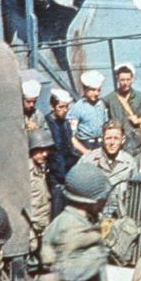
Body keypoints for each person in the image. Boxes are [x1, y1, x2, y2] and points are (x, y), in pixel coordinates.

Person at [78, 120, 137, 214]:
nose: (112, 142)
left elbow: (134, 195)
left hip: (119, 216)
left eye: (116, 138)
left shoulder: (129, 163)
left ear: (123, 140)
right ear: (102, 139)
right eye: (108, 138)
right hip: (93, 214)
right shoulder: (88, 160)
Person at [103, 62, 141, 163]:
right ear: (117, 80)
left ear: (132, 79)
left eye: (128, 79)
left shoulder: (140, 97)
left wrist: (139, 120)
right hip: (117, 145)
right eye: (122, 80)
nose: (125, 83)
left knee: (134, 174)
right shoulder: (109, 98)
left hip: (135, 145)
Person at [46, 88, 78, 217]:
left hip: (67, 173)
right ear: (53, 106)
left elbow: (69, 146)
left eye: (66, 107)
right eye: (61, 107)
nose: (65, 110)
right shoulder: (47, 123)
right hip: (54, 175)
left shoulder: (65, 123)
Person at [28, 128, 54, 258]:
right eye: (40, 150)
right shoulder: (26, 172)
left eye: (46, 150)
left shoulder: (43, 168)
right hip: (31, 227)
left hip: (44, 225)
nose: (45, 154)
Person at [70, 70, 108, 156]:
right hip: (85, 146)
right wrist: (85, 152)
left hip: (101, 144)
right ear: (85, 89)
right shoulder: (78, 108)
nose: (97, 93)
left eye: (99, 90)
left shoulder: (101, 105)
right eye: (93, 90)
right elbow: (71, 136)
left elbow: (106, 124)